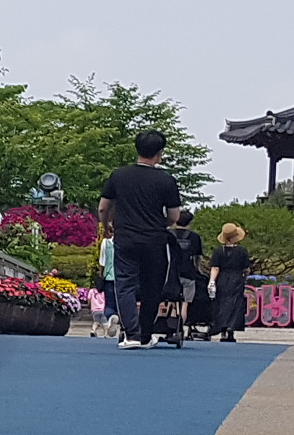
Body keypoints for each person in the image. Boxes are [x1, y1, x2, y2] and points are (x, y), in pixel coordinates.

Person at [98, 130, 184, 349]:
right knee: (152, 287)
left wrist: (107, 226)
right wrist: (161, 223)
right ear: (160, 153)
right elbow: (174, 216)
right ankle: (145, 335)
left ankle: (132, 334)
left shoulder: (119, 175)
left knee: (124, 284)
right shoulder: (166, 180)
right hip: (155, 239)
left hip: (125, 238)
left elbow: (103, 207)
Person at [169, 210, 209, 339]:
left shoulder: (168, 235)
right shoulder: (194, 237)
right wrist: (198, 270)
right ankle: (180, 329)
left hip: (171, 273)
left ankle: (171, 328)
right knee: (185, 303)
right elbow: (197, 257)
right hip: (188, 273)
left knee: (172, 302)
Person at [211, 223, 253, 343]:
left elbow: (215, 268)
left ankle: (222, 329)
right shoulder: (242, 251)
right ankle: (231, 328)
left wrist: (212, 281)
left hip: (222, 278)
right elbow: (246, 268)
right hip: (236, 278)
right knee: (235, 304)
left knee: (222, 303)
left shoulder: (218, 251)